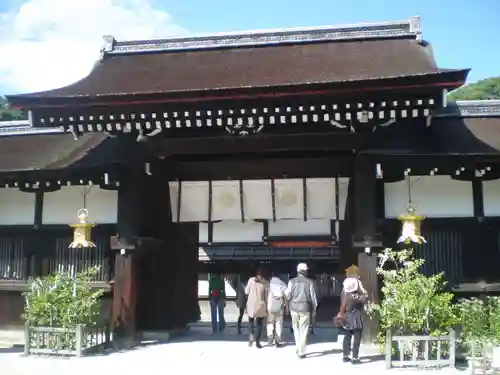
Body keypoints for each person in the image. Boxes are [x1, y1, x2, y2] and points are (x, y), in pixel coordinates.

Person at [285, 263, 318, 359]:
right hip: (305, 308)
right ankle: (301, 351)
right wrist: (314, 309)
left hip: (294, 308)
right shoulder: (310, 282)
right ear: (305, 271)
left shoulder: (292, 281)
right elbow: (313, 298)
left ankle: (298, 347)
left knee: (296, 329)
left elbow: (287, 294)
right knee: (304, 329)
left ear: (298, 271)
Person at [336, 277, 367, 364]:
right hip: (357, 319)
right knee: (357, 339)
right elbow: (365, 297)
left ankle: (345, 355)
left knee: (347, 337)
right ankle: (355, 357)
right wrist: (361, 287)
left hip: (347, 319)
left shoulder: (344, 294)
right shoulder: (357, 296)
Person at [245, 268, 269, 348]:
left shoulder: (251, 280)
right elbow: (266, 297)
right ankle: (257, 342)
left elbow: (246, 292)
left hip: (251, 304)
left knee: (250, 322)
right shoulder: (265, 283)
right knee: (259, 324)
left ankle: (251, 336)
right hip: (261, 305)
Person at [267, 270, 287, 347]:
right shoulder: (282, 283)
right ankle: (277, 340)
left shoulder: (269, 283)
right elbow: (287, 295)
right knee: (278, 323)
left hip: (270, 306)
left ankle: (270, 340)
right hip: (279, 306)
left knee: (270, 323)